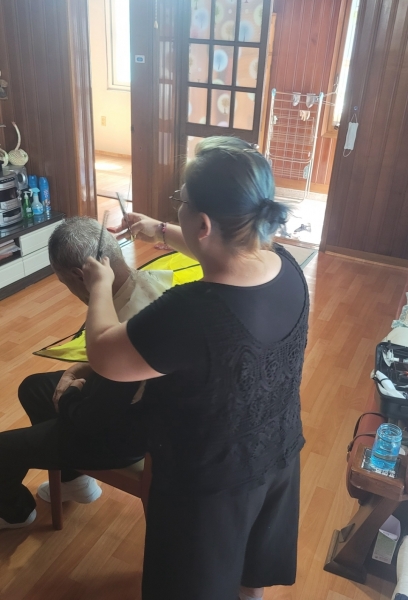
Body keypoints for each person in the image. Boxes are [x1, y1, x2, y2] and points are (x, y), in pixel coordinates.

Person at [83, 137, 310, 600]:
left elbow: (105, 355)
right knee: (249, 577)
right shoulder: (286, 266)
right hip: (277, 453)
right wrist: (160, 229)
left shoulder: (192, 312)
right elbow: (228, 248)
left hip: (210, 486)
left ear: (203, 223)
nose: (178, 208)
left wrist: (100, 286)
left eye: (180, 201)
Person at [0, 216, 171, 530]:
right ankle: (73, 481)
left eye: (64, 282)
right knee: (33, 387)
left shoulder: (123, 332)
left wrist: (70, 393)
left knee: (4, 451)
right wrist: (83, 370)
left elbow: (91, 418)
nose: (69, 290)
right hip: (134, 406)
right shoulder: (155, 284)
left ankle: (15, 513)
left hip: (124, 437)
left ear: (82, 276)